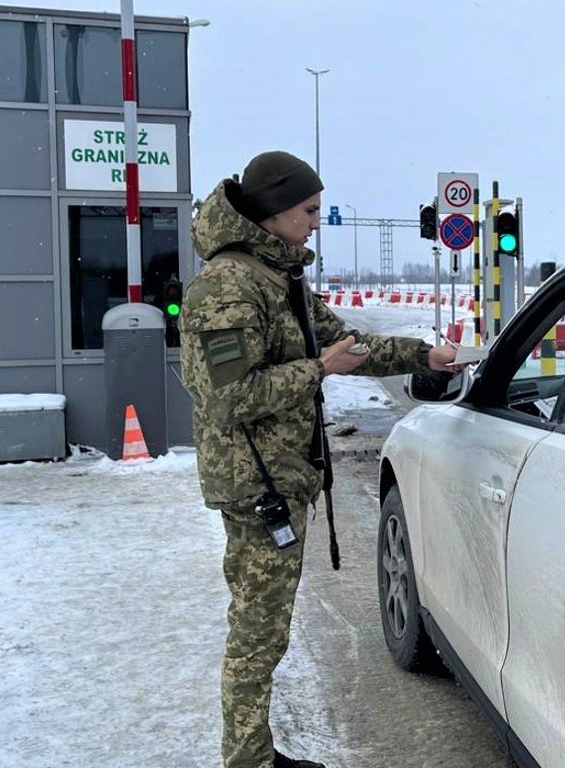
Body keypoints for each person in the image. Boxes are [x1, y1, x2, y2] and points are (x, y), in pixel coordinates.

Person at [179, 151, 458, 768]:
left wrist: (423, 355)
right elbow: (226, 399)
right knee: (258, 635)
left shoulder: (279, 277)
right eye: (308, 210)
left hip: (280, 476)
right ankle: (249, 761)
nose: (315, 221)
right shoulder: (229, 285)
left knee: (264, 631)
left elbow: (347, 346)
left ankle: (254, 753)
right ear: (275, 211)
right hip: (256, 486)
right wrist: (318, 371)